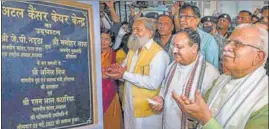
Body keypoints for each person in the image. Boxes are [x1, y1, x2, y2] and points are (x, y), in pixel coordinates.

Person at [173, 24, 268, 129]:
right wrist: (193, 114)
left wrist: (206, 120)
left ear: (258, 57)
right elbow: (202, 116)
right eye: (228, 42)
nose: (226, 48)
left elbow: (206, 118)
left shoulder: (264, 99)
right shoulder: (221, 79)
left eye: (237, 44)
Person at [105, 17, 170, 129]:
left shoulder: (159, 54)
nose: (134, 33)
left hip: (146, 110)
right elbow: (124, 71)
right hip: (129, 105)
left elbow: (153, 83)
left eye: (139, 30)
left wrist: (123, 74)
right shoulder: (133, 49)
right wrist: (116, 71)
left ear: (150, 32)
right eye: (133, 29)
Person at [151, 28, 219, 129]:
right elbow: (164, 88)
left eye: (179, 47)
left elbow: (212, 110)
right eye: (174, 46)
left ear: (194, 48)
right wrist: (161, 99)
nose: (174, 51)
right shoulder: (172, 66)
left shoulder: (210, 73)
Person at [177, 4, 219, 69]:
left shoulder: (208, 40)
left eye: (187, 16)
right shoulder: (176, 38)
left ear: (197, 20)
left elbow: (212, 69)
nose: (181, 20)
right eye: (180, 17)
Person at [100, 31, 122, 129]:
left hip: (110, 91)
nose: (103, 41)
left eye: (106, 39)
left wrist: (109, 74)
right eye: (101, 38)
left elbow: (120, 72)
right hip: (94, 91)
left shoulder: (116, 54)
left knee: (110, 119)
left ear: (111, 43)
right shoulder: (89, 53)